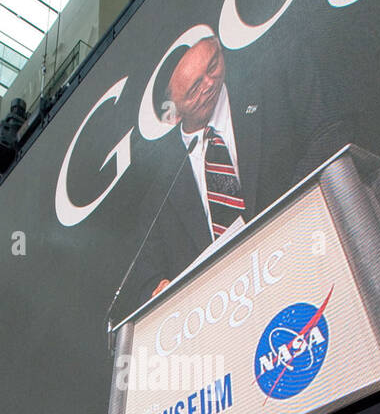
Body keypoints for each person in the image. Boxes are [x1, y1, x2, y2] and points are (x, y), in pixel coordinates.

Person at [132, 30, 346, 306]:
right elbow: (143, 275)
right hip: (236, 311)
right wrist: (157, 289)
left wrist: (288, 217)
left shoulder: (272, 81)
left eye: (212, 66)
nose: (210, 84)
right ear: (173, 114)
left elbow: (330, 132)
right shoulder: (159, 193)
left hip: (317, 259)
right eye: (194, 88)